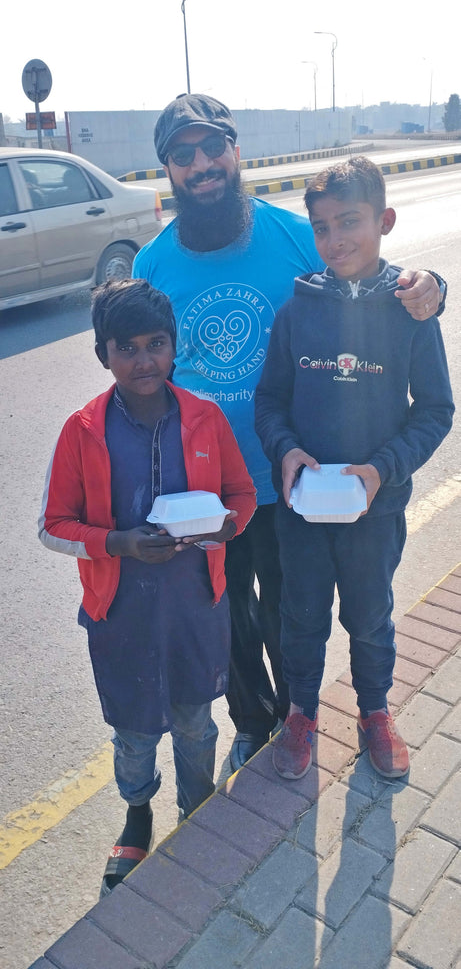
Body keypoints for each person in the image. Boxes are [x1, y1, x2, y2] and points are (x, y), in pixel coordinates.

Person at [133, 93, 446, 772]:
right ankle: (255, 723)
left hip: (291, 490)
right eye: (182, 155)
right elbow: (141, 368)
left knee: (292, 612)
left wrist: (432, 286)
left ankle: (300, 716)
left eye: (211, 146)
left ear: (234, 150)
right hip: (207, 487)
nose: (200, 164)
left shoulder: (296, 233)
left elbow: (372, 275)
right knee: (227, 615)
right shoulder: (151, 264)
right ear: (168, 169)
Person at [38, 279, 256, 895]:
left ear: (174, 346)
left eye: (156, 344)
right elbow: (53, 527)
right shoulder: (82, 430)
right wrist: (119, 543)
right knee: (133, 732)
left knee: (196, 722)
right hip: (121, 614)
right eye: (126, 347)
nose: (143, 360)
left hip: (195, 607)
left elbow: (241, 495)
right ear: (102, 354)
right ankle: (137, 814)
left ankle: (197, 809)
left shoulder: (205, 418)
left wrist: (223, 527)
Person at [254, 156, 454, 780]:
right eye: (322, 228)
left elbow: (436, 410)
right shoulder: (295, 313)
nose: (335, 240)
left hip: (377, 507)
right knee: (301, 617)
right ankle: (301, 714)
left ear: (383, 221)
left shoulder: (410, 312)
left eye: (349, 222)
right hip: (303, 510)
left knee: (369, 618)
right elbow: (270, 401)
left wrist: (382, 469)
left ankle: (374, 712)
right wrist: (286, 450)